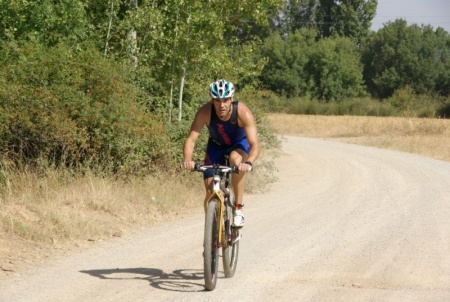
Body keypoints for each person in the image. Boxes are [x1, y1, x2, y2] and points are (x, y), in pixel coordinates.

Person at [183, 79, 260, 228]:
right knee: (210, 191)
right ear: (212, 100)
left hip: (239, 145)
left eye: (225, 100)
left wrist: (248, 162)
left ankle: (238, 208)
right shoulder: (205, 112)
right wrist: (188, 160)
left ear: (231, 99)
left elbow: (254, 144)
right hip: (216, 146)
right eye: (217, 101)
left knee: (235, 160)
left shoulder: (242, 112)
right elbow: (191, 139)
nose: (221, 105)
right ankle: (212, 232)